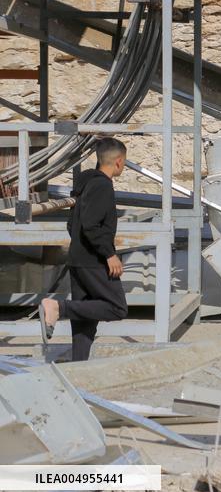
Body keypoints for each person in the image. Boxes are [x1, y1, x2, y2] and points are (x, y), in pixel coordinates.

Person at [39, 138, 128, 360]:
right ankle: (58, 308)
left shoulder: (86, 184)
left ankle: (78, 369)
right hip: (93, 261)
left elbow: (73, 224)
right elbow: (90, 224)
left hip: (78, 259)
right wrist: (109, 254)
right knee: (117, 308)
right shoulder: (102, 185)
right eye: (124, 162)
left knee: (84, 325)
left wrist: (80, 248)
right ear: (118, 161)